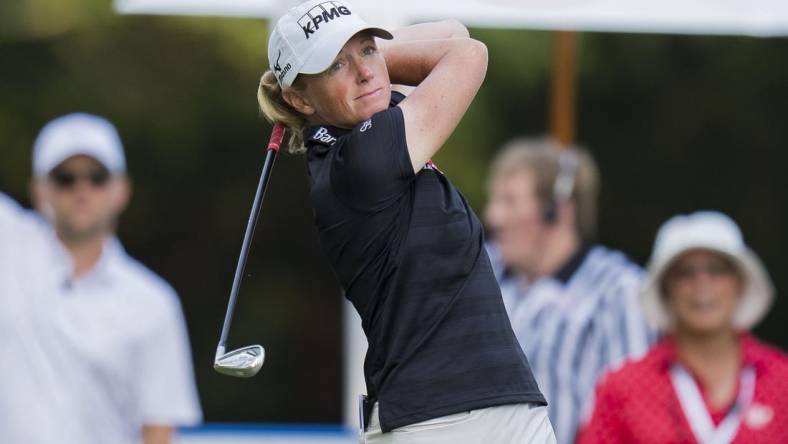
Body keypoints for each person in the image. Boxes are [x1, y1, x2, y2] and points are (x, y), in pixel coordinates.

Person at [257, 1, 555, 442]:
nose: (363, 72)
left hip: (502, 410)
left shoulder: (370, 128)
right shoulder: (358, 162)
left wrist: (349, 69)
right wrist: (372, 67)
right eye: (337, 64)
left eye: (367, 49)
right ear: (299, 99)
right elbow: (468, 55)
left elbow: (454, 31)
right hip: (437, 423)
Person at [0, 113, 202, 444]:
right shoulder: (8, 247)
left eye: (97, 176)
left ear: (121, 189)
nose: (82, 189)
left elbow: (157, 431)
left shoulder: (153, 303)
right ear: (39, 190)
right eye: (65, 178)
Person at [484, 138, 655, 444]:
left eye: (509, 201)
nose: (494, 216)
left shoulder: (618, 291)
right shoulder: (482, 272)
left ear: (557, 210)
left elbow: (633, 413)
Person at [577, 211, 788, 443]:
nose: (702, 284)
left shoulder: (782, 380)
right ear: (666, 290)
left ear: (739, 282)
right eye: (685, 273)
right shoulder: (622, 389)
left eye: (716, 269)